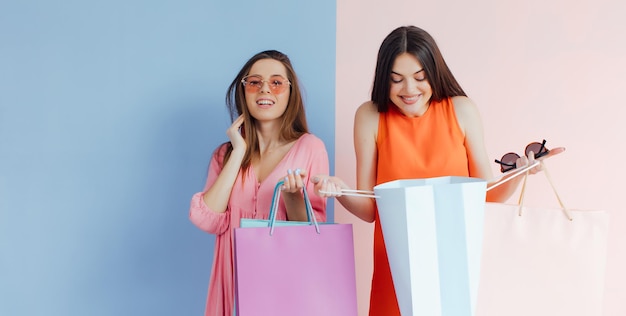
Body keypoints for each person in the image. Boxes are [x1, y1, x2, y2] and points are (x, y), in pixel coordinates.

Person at [313, 26, 564, 315]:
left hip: (456, 269)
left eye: (420, 78)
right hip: (395, 269)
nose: (409, 90)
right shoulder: (370, 117)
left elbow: (487, 197)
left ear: (435, 73)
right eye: (396, 80)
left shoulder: (461, 110)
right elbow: (370, 208)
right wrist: (338, 189)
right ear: (384, 79)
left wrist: (520, 173)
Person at [189, 50, 329, 316]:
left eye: (277, 82)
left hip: (284, 283)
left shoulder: (311, 148)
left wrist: (292, 197)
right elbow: (208, 220)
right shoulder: (224, 154)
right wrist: (238, 151)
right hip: (232, 281)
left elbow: (312, 234)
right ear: (244, 92)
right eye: (255, 82)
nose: (265, 89)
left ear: (290, 93)